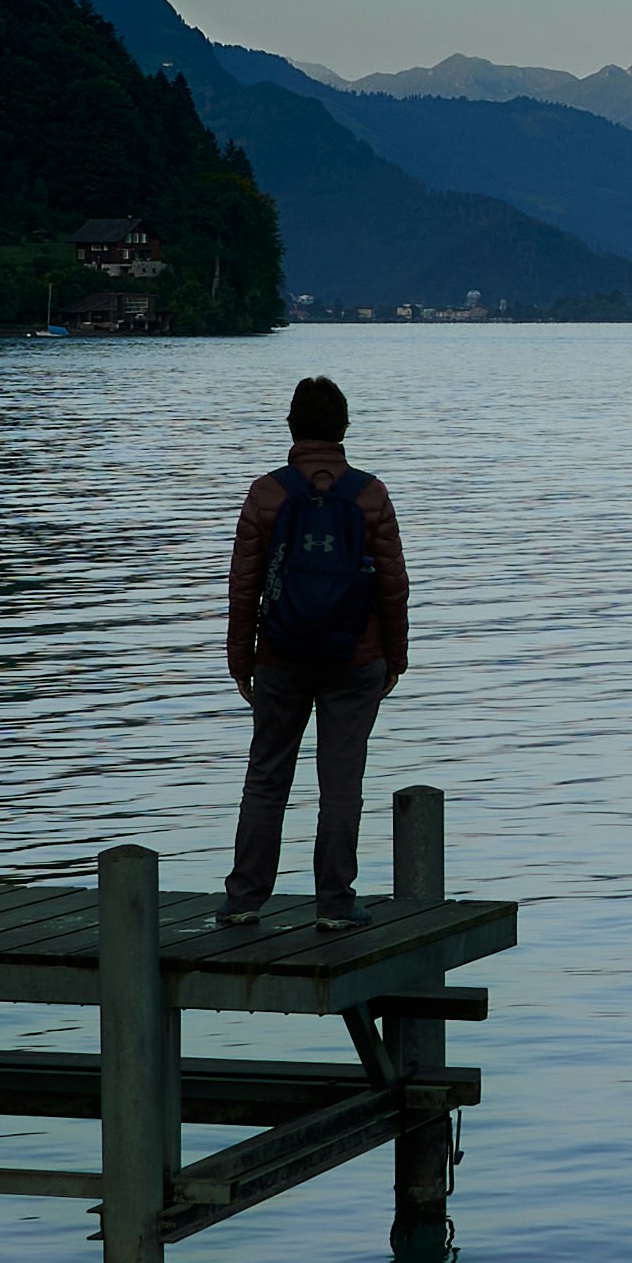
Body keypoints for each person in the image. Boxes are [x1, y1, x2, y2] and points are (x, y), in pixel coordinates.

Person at [222, 374, 412, 922]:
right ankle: (333, 902)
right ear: (344, 428)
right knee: (341, 780)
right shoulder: (370, 493)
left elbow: (244, 582)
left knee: (266, 777)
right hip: (355, 659)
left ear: (291, 426)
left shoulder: (267, 492)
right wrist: (394, 658)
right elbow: (393, 584)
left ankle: (243, 901)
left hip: (279, 656)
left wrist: (241, 659)